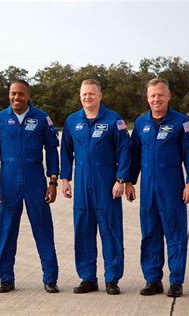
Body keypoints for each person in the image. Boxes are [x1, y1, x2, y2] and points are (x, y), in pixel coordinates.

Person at [0, 79, 60, 294]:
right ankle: (6, 278)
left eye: (21, 94)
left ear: (28, 95)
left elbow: (52, 152)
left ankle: (50, 278)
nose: (16, 98)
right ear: (9, 95)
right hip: (8, 181)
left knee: (43, 229)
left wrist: (52, 182)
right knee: (6, 231)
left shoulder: (42, 118)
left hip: (35, 179)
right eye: (13, 93)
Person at [126, 78, 189, 298]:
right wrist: (130, 181)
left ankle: (176, 280)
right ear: (147, 98)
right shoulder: (140, 123)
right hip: (148, 187)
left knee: (175, 233)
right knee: (150, 233)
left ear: (169, 96)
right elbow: (135, 155)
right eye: (152, 96)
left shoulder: (181, 121)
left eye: (160, 95)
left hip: (172, 185)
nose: (156, 99)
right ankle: (153, 280)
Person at [60, 79, 131, 295]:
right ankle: (87, 278)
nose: (87, 97)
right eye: (84, 94)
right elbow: (65, 152)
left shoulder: (113, 120)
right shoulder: (73, 121)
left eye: (91, 93)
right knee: (83, 231)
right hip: (81, 184)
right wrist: (65, 179)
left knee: (110, 230)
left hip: (106, 184)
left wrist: (121, 179)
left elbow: (125, 150)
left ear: (100, 95)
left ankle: (112, 278)